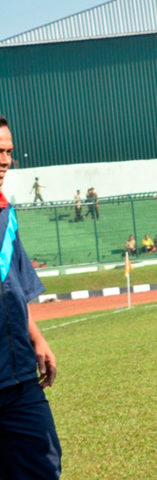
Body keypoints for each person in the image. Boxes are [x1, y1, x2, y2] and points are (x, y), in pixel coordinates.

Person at [0, 116, 61, 479]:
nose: (4, 160)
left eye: (7, 151)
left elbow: (14, 286)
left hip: (18, 376)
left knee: (43, 462)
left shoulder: (7, 213)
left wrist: (37, 338)